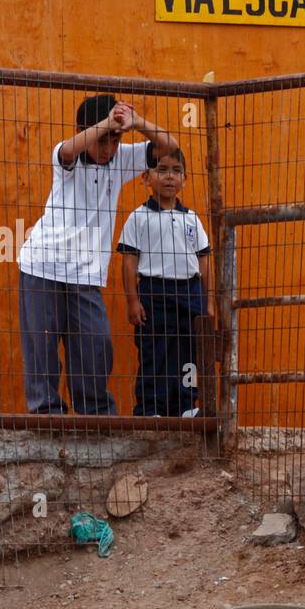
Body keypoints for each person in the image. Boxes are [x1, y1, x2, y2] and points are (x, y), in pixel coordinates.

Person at [17, 94, 179, 414]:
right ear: (83, 130)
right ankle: (48, 416)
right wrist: (106, 124)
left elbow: (170, 147)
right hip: (41, 265)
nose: (109, 149)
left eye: (116, 141)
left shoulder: (121, 159)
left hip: (84, 274)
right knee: (42, 348)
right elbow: (69, 148)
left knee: (95, 346)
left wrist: (136, 123)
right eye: (102, 140)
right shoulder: (67, 159)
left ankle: (96, 416)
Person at [118, 148, 213, 417]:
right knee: (154, 353)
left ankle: (186, 405)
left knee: (189, 355)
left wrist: (209, 302)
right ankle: (151, 409)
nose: (169, 177)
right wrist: (133, 301)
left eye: (176, 171)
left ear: (185, 178)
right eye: (162, 170)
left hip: (189, 294)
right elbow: (129, 261)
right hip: (153, 294)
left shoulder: (192, 219)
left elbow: (204, 262)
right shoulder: (138, 217)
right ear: (146, 177)